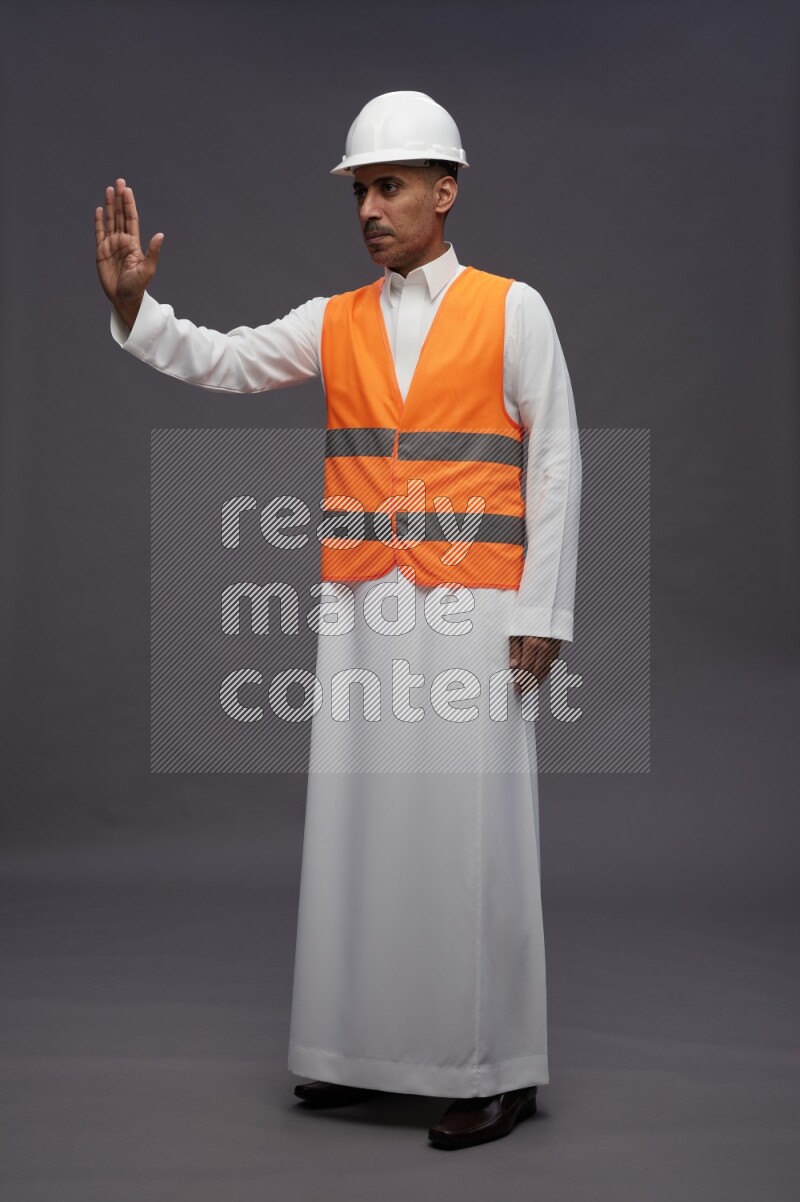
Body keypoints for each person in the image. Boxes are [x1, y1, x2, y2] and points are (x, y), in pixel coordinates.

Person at [94, 90, 582, 1150]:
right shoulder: (334, 318)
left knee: (469, 833)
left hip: (477, 608)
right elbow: (226, 360)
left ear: (444, 191)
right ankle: (352, 1053)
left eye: (390, 184)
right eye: (361, 187)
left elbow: (553, 463)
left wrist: (543, 611)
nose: (370, 206)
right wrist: (139, 311)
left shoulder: (514, 309)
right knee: (363, 826)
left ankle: (492, 1066)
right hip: (363, 603)